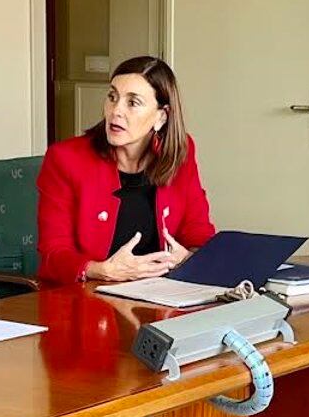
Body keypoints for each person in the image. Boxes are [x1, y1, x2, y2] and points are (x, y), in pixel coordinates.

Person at [35, 56, 217, 286]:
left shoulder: (180, 152)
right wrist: (102, 270)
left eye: (133, 102)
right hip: (89, 299)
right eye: (112, 97)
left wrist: (189, 259)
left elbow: (199, 233)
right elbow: (53, 254)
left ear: (162, 116)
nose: (116, 111)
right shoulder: (66, 159)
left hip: (163, 297)